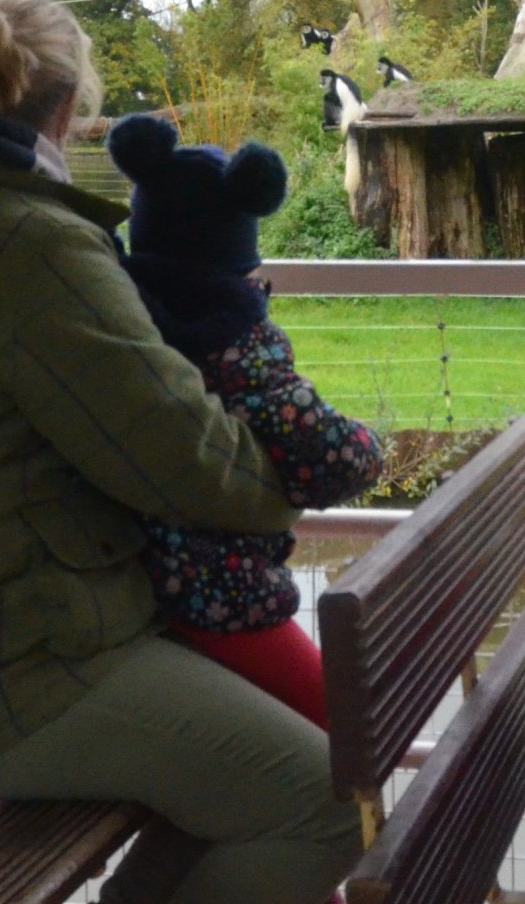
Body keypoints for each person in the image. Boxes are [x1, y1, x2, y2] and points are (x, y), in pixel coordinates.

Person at [0, 0, 361, 904]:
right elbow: (197, 467)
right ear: (65, 112)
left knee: (258, 785)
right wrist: (287, 477)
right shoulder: (28, 246)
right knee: (324, 804)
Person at [105, 112, 384, 728]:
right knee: (345, 726)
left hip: (123, 588)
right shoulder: (235, 342)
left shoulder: (119, 310)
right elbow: (326, 460)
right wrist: (372, 443)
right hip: (217, 595)